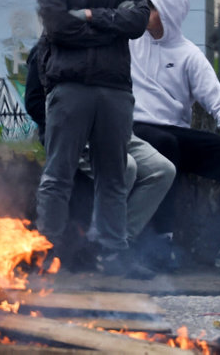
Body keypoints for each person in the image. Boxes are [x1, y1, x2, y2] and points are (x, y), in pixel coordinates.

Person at [34, 0, 152, 277]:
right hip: (69, 88)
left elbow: (139, 19)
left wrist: (88, 15)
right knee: (58, 174)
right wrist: (108, 27)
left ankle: (112, 253)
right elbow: (56, 27)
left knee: (113, 175)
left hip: (113, 90)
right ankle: (47, 252)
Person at [25, 36, 175, 271]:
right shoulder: (47, 48)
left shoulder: (107, 48)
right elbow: (34, 103)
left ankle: (118, 243)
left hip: (114, 128)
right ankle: (101, 248)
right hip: (70, 131)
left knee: (162, 170)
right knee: (125, 168)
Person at [130, 0, 220, 268]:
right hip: (136, 128)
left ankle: (218, 241)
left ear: (168, 13)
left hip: (173, 130)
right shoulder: (129, 42)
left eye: (150, 7)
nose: (142, 11)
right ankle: (160, 242)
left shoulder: (189, 55)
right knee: (165, 144)